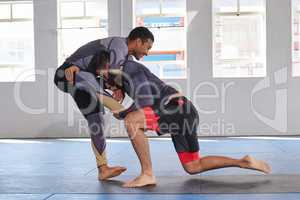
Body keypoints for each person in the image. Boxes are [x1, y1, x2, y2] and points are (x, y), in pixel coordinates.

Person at [94, 54, 272, 188]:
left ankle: (147, 174)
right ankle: (243, 162)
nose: (112, 91)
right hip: (185, 113)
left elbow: (145, 103)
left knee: (132, 121)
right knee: (193, 166)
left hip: (176, 108)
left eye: (110, 86)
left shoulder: (131, 71)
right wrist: (121, 98)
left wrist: (124, 113)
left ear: (107, 70)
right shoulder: (126, 78)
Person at [53, 27, 154, 181]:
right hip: (68, 73)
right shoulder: (119, 44)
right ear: (138, 41)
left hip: (87, 82)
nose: (147, 53)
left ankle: (103, 169)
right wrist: (116, 87)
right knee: (84, 76)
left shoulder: (128, 60)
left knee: (97, 121)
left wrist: (118, 88)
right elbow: (107, 72)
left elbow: (107, 74)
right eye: (147, 47)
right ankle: (121, 111)